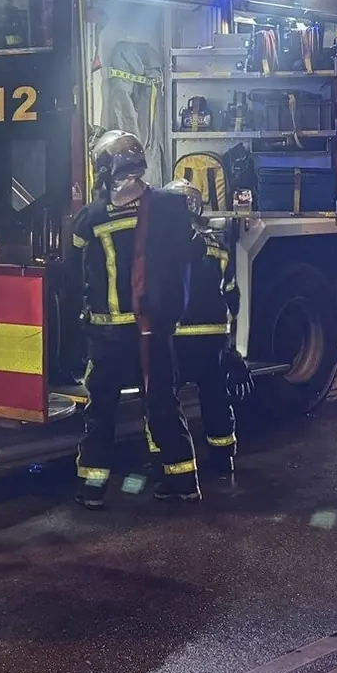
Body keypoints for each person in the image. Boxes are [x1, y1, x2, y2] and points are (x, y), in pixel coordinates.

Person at [68, 130, 201, 509]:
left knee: (101, 411)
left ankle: (92, 488)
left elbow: (72, 274)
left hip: (107, 332)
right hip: (152, 329)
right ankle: (182, 482)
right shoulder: (169, 207)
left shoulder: (90, 217)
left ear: (106, 168)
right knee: (161, 403)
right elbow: (190, 256)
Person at [162, 178, 242, 475]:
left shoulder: (161, 246)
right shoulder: (218, 246)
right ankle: (223, 459)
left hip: (175, 338)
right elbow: (231, 295)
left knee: (163, 401)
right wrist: (230, 343)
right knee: (216, 398)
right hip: (213, 339)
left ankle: (166, 462)